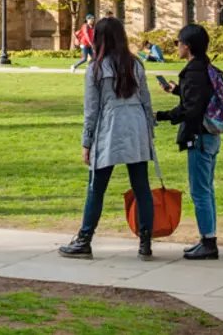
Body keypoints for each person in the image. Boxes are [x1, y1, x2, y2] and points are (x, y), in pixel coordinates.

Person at [58, 16, 156, 262]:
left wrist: (86, 142)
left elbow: (91, 109)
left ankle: (84, 239)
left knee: (96, 187)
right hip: (135, 126)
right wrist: (149, 134)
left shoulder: (97, 68)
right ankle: (145, 241)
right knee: (141, 186)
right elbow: (146, 101)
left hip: (110, 127)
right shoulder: (136, 65)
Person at [154, 23, 220, 261]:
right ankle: (207, 237)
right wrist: (175, 90)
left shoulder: (193, 72)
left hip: (199, 137)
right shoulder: (205, 68)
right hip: (211, 136)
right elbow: (197, 96)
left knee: (200, 191)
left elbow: (191, 109)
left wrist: (162, 116)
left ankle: (209, 241)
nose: (177, 46)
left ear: (187, 46)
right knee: (207, 189)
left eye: (178, 42)